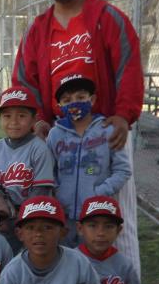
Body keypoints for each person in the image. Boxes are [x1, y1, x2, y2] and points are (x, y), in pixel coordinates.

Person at [12, 0, 144, 276]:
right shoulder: (38, 29)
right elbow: (25, 81)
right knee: (64, 221)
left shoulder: (107, 17)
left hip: (105, 132)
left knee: (114, 222)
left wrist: (124, 115)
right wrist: (38, 120)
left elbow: (129, 68)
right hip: (59, 135)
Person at [46, 74, 131, 247]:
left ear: (92, 100)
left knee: (93, 262)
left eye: (80, 97)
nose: (74, 103)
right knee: (66, 262)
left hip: (95, 216)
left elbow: (123, 170)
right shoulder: (55, 134)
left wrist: (99, 192)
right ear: (59, 106)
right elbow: (49, 170)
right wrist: (58, 193)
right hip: (65, 216)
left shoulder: (108, 130)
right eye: (67, 100)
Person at [0, 86, 55, 252]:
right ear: (0, 119)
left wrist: (19, 220)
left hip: (35, 220)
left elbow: (41, 192)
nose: (13, 122)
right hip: (5, 220)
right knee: (7, 262)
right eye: (7, 116)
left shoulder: (39, 149)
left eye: (21, 115)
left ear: (34, 119)